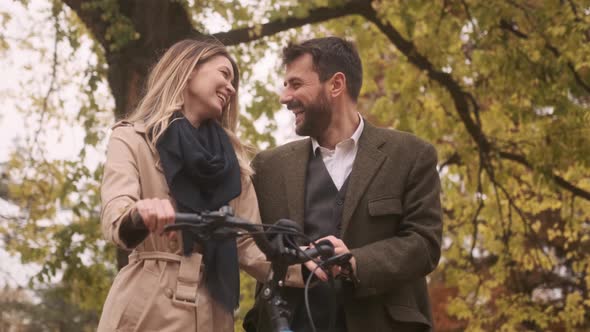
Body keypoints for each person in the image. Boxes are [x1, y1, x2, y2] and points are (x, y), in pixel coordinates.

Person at [97, 38, 306, 332]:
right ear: (189, 69)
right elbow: (116, 214)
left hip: (215, 310)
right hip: (146, 306)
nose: (231, 88)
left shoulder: (234, 165)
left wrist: (306, 267)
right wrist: (140, 213)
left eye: (234, 81)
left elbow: (248, 245)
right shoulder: (132, 139)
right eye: (224, 74)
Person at [245, 37, 442, 332]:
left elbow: (424, 244)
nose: (284, 97)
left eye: (295, 84)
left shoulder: (411, 155)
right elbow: (246, 246)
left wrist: (355, 262)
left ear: (336, 85)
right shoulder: (267, 168)